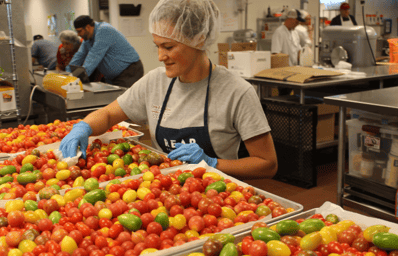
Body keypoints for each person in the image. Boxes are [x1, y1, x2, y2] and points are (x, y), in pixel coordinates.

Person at [60, 0, 277, 179]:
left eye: (169, 47)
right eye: (157, 46)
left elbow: (267, 164)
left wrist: (213, 162)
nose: (160, 56)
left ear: (199, 39)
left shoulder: (237, 92)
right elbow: (108, 114)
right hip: (163, 193)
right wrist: (83, 127)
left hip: (213, 201)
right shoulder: (155, 82)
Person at [65, 15, 144, 88]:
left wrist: (80, 77)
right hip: (112, 76)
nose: (78, 34)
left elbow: (94, 56)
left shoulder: (104, 30)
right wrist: (67, 73)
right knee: (112, 99)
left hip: (129, 71)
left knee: (124, 100)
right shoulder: (88, 38)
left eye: (79, 31)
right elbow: (79, 55)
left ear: (88, 27)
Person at [271, 9, 304, 95]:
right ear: (290, 19)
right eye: (297, 22)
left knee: (295, 97)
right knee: (284, 97)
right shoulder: (279, 32)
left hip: (295, 72)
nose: (297, 24)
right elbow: (276, 54)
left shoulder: (295, 33)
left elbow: (299, 51)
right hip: (284, 74)